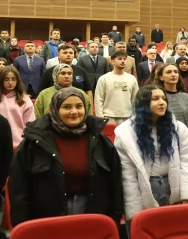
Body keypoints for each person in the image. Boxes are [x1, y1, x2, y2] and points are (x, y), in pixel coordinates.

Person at [9, 88, 123, 227]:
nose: (74, 112)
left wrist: (115, 217)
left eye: (79, 106)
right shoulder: (34, 141)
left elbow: (115, 182)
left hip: (92, 214)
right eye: (67, 107)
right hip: (47, 217)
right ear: (55, 109)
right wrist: (22, 224)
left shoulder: (99, 140)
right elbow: (19, 187)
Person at [113, 85, 188, 224]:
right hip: (145, 190)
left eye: (164, 99)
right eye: (155, 99)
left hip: (173, 187)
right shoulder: (125, 134)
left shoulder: (178, 128)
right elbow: (128, 176)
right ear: (143, 103)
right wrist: (134, 212)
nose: (162, 102)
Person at [152, 63, 188, 154]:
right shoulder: (156, 98)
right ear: (161, 77)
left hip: (184, 145)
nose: (173, 74)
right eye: (169, 72)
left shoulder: (186, 98)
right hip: (162, 145)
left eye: (176, 72)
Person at [0, 66, 35, 148]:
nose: (10, 82)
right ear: (1, 80)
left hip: (17, 142)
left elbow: (30, 124)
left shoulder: (24, 98)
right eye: (6, 79)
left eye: (13, 79)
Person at [94, 51, 140, 125]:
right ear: (113, 61)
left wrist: (135, 116)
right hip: (109, 117)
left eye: (124, 59)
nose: (123, 61)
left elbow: (135, 99)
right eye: (119, 59)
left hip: (127, 117)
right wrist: (100, 119)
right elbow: (98, 99)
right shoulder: (104, 78)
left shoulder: (132, 79)